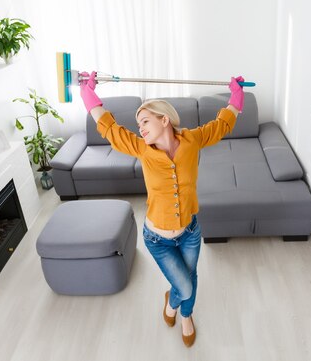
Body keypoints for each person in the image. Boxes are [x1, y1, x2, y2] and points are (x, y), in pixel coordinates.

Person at [78, 71, 244, 347]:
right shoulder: (142, 148)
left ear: (164, 119)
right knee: (186, 285)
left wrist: (236, 96)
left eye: (145, 121)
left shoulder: (192, 140)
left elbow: (221, 125)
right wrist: (88, 93)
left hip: (190, 231)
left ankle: (186, 315)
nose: (140, 128)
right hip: (158, 239)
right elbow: (109, 128)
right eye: (138, 123)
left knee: (189, 279)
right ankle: (172, 304)